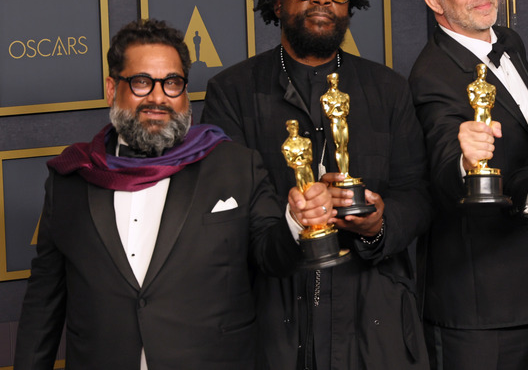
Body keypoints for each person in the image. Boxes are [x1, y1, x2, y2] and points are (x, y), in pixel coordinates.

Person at [12, 19, 333, 370]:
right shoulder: (72, 178)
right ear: (110, 89)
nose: (157, 97)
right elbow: (44, 302)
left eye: (172, 83)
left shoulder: (234, 166)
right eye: (141, 82)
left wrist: (296, 222)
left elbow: (273, 258)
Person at [200, 0, 431, 369]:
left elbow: (418, 194)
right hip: (273, 322)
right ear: (276, 0)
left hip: (374, 323)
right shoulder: (231, 92)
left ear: (351, 1)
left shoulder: (388, 89)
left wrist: (380, 223)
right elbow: (224, 213)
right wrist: (292, 222)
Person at [408, 0, 528, 368]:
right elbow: (443, 170)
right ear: (434, 0)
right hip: (478, 315)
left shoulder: (509, 42)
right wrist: (464, 161)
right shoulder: (431, 76)